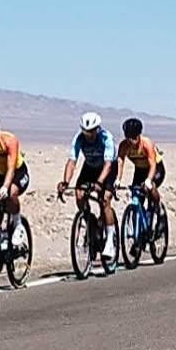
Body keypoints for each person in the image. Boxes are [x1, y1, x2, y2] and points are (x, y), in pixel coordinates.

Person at [58, 111, 119, 264]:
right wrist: (65, 182)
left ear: (97, 129)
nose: (88, 135)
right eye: (85, 131)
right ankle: (90, 222)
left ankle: (110, 240)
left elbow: (108, 165)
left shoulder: (106, 138)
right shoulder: (79, 139)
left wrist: (99, 183)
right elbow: (72, 162)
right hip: (90, 167)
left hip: (108, 169)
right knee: (79, 194)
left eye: (91, 131)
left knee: (105, 199)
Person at [117, 117, 165, 216]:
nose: (131, 141)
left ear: (138, 135)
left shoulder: (147, 144)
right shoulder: (124, 146)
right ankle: (138, 218)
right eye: (128, 138)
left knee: (151, 187)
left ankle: (158, 207)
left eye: (134, 138)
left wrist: (149, 180)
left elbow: (153, 165)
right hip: (140, 170)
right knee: (137, 194)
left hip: (156, 169)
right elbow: (120, 161)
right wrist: (118, 179)